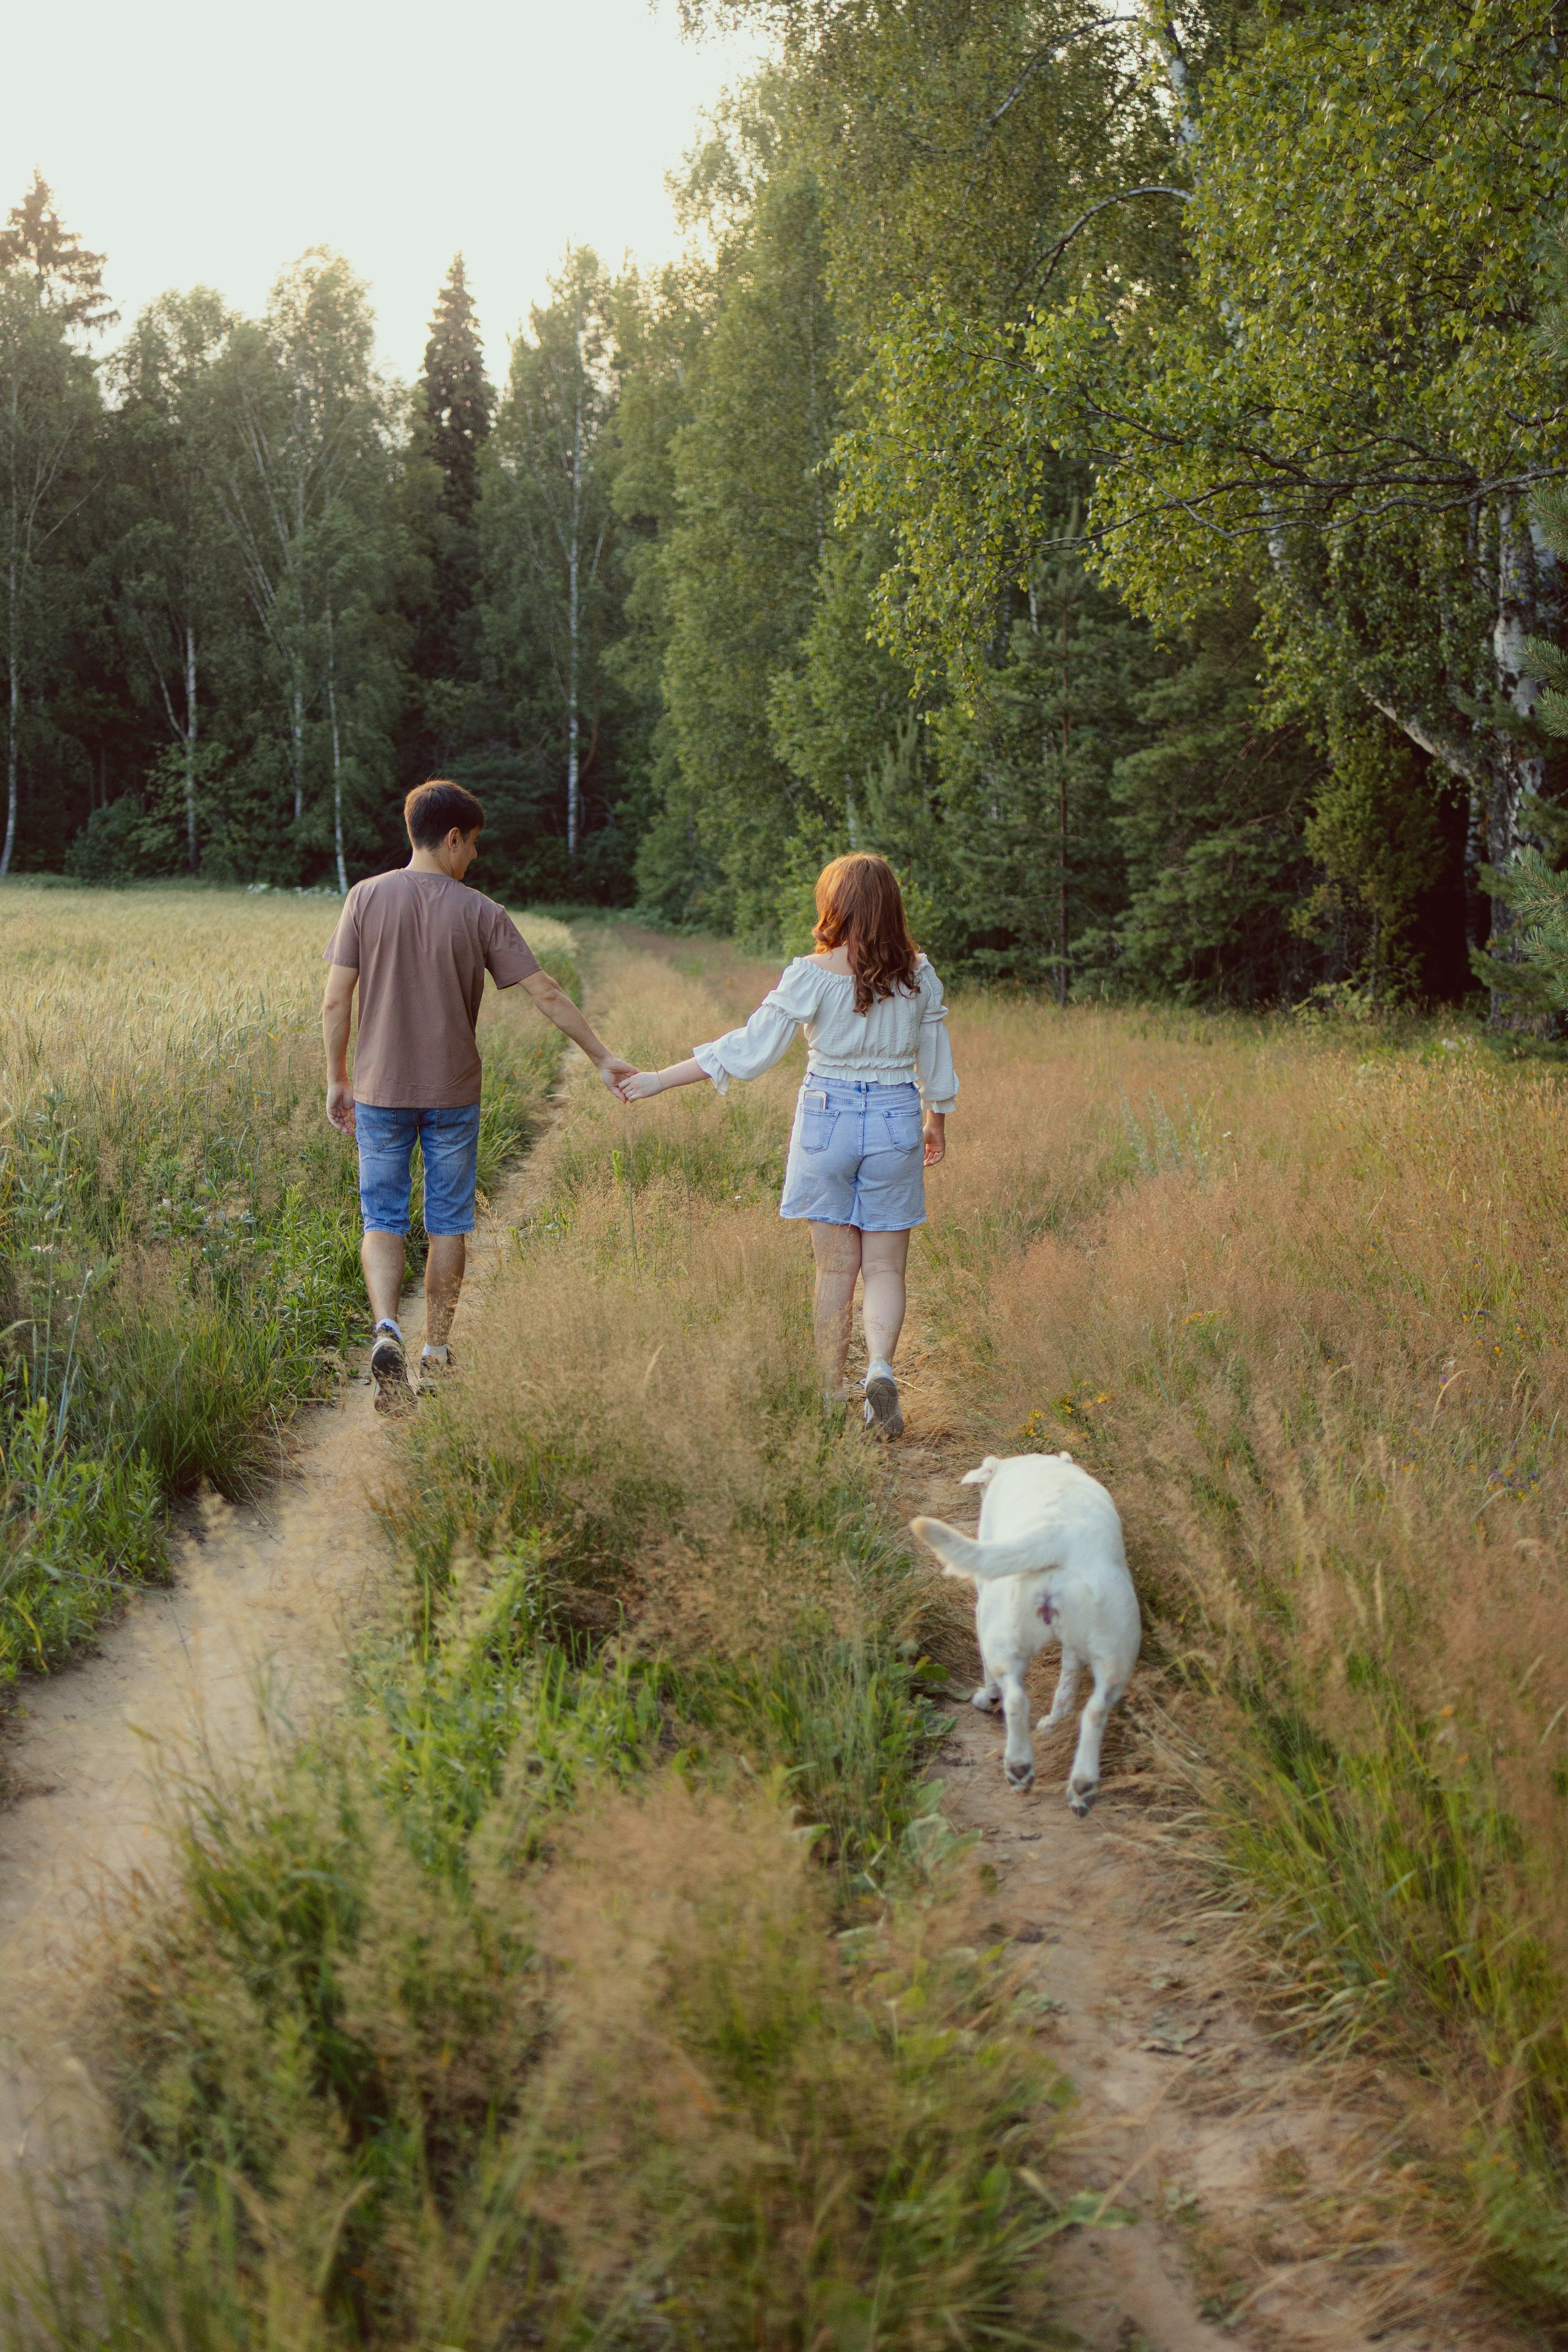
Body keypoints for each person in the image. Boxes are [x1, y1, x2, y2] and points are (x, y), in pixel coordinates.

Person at [620, 852, 957, 1439]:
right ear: (891, 906)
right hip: (896, 1116)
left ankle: (830, 1393)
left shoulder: (812, 972)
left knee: (834, 1269)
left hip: (827, 1116)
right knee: (884, 1267)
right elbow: (936, 1057)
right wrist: (937, 1120)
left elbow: (750, 1049)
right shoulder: (918, 974)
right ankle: (879, 1370)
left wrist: (656, 1080)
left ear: (836, 906)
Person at [323, 779, 633, 1413]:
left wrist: (337, 1078)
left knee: (382, 1220)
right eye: (473, 846)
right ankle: (436, 1355)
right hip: (453, 1093)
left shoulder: (364, 898)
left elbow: (336, 998)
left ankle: (387, 1330)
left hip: (379, 1091)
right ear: (453, 837)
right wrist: (601, 1058)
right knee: (447, 1223)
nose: (475, 860)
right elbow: (544, 991)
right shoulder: (480, 911)